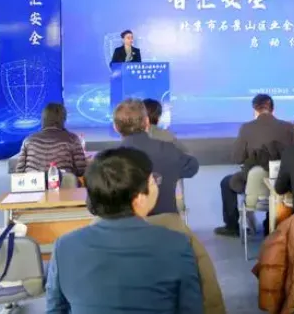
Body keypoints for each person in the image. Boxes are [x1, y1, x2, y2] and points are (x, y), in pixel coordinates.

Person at [46, 147, 203, 314]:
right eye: (153, 181)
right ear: (139, 198)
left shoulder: (64, 246)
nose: (156, 186)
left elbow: (55, 309)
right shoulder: (177, 245)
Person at [214, 94, 294, 237]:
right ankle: (270, 223)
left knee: (226, 182)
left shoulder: (247, 128)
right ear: (273, 109)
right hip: (282, 184)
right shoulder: (288, 127)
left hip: (254, 183)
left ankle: (232, 226)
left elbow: (237, 158)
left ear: (255, 110)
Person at [114, 99, 199, 216]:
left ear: (115, 127)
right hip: (165, 222)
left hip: (126, 225)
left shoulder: (107, 161)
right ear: (147, 122)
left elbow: (94, 205)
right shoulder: (170, 151)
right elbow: (192, 167)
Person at [16, 103, 86, 177]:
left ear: (43, 118)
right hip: (63, 182)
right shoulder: (72, 139)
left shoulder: (28, 140)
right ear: (63, 119)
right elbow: (81, 170)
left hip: (33, 183)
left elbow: (19, 171)